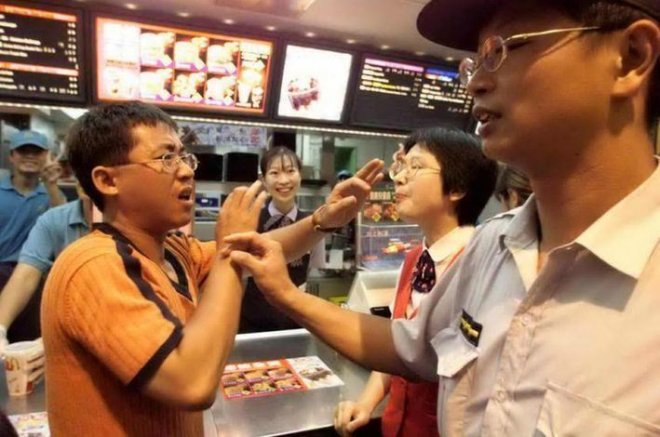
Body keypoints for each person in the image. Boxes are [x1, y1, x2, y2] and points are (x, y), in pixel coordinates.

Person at [226, 0, 660, 435]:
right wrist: (284, 292)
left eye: (504, 49)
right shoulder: (492, 246)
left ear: (631, 56)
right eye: (476, 62)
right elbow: (408, 346)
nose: (476, 84)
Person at [41, 101, 383, 435]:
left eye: (183, 156)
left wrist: (323, 221)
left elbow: (263, 247)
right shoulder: (94, 266)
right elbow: (192, 384)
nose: (186, 170)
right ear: (107, 180)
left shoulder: (172, 249)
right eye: (166, 158)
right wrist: (229, 249)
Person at [334, 128, 497, 437]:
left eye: (416, 167)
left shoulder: (481, 265)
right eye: (402, 166)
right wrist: (366, 403)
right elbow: (397, 347)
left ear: (458, 187)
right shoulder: (413, 259)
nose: (398, 178)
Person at [239, 146, 325, 332]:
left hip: (297, 322)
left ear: (300, 176)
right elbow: (238, 276)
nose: (284, 180)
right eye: (275, 173)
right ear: (263, 179)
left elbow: (315, 275)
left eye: (290, 171)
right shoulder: (249, 221)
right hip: (252, 323)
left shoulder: (314, 224)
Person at [0, 186, 92, 348]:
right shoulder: (54, 220)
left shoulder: (134, 218)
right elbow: (25, 275)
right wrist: (0, 328)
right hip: (70, 318)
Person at [0, 130, 65, 315]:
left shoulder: (52, 195)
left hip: (34, 278)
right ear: (12, 156)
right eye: (23, 151)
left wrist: (51, 185)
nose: (30, 156)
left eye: (36, 152)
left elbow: (62, 230)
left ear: (46, 156)